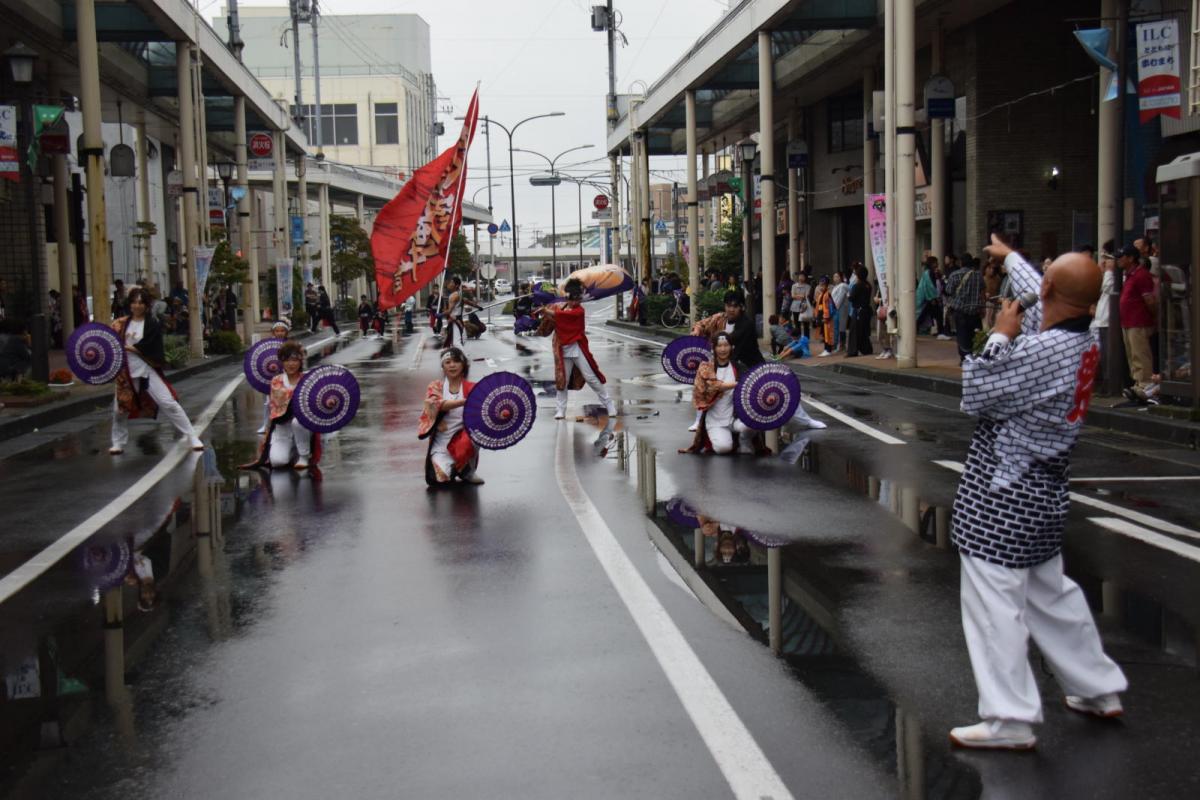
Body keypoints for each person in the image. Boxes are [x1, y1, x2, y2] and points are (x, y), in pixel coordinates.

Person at [948, 235, 1126, 751]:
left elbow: (976, 393)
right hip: (1045, 492)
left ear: (1049, 288)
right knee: (1052, 596)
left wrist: (999, 337)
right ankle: (1098, 689)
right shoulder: (1084, 337)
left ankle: (1009, 718)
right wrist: (1011, 260)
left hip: (1003, 494)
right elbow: (1046, 298)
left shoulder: (1039, 350)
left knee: (993, 606)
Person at [109, 288, 204, 455]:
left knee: (168, 403)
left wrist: (132, 348)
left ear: (146, 305)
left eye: (140, 302)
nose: (137, 306)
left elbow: (152, 346)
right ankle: (118, 442)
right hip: (126, 372)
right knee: (120, 409)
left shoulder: (152, 323)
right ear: (130, 304)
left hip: (146, 368)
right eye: (134, 302)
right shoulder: (120, 323)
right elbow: (110, 343)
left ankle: (192, 436)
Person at [538, 277, 617, 420]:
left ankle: (609, 404)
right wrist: (541, 312)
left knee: (591, 378)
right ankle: (560, 410)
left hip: (577, 347)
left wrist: (547, 311)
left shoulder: (579, 311)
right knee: (563, 381)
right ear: (567, 297)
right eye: (572, 299)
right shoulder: (558, 307)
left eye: (577, 300)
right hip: (562, 349)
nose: (574, 302)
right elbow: (547, 325)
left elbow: (562, 316)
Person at [241, 340, 320, 471]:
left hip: (302, 426)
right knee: (278, 462)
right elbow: (276, 408)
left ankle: (304, 455)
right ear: (282, 361)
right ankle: (292, 450)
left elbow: (314, 404)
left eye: (295, 360)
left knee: (298, 422)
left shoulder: (307, 380)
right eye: (287, 360)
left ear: (300, 361)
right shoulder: (276, 380)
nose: (291, 364)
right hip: (283, 427)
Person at [680, 331, 761, 455]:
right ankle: (723, 440)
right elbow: (714, 386)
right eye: (719, 346)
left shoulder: (739, 367)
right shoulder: (706, 367)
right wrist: (737, 384)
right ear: (713, 348)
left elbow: (752, 388)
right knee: (723, 449)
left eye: (726, 345)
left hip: (735, 417)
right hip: (716, 420)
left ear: (731, 347)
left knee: (752, 422)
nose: (723, 349)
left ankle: (744, 440)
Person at [417, 347, 484, 486]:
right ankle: (454, 468)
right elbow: (434, 403)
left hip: (463, 439)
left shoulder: (472, 387)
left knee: (477, 433)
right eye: (448, 362)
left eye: (456, 361)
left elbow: (485, 411)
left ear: (463, 365)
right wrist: (463, 402)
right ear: (443, 367)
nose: (452, 365)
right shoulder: (436, 386)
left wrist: (499, 413)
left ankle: (467, 469)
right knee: (440, 479)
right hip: (442, 443)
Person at [1118, 246, 1157, 403]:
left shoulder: (1141, 275)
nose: (1118, 260)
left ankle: (1145, 384)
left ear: (1131, 258)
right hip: (1128, 321)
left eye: (1122, 257)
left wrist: (1154, 317)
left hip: (1139, 321)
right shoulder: (1130, 276)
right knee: (1132, 355)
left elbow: (1150, 301)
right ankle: (1138, 384)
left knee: (1140, 354)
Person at [256, 319, 293, 435]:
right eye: (277, 331)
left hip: (287, 376)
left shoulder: (290, 344)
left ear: (286, 332)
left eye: (282, 330)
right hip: (271, 377)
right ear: (273, 332)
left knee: (288, 400)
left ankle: (287, 422)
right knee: (268, 402)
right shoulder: (267, 345)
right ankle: (266, 424)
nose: (280, 333)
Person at [946, 256, 985, 362]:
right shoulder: (978, 275)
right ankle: (974, 355)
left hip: (960, 310)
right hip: (975, 311)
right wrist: (983, 307)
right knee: (975, 335)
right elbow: (982, 292)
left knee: (962, 335)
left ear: (961, 263)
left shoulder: (954, 275)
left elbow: (949, 290)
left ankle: (964, 357)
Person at [845, 265, 873, 357]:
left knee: (854, 331)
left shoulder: (857, 286)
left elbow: (852, 298)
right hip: (866, 310)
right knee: (864, 331)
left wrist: (848, 295)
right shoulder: (868, 285)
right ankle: (866, 349)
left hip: (858, 311)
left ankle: (852, 351)